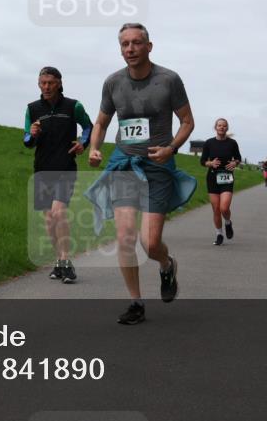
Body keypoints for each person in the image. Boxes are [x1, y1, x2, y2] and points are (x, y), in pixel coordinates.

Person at [85, 23, 196, 325]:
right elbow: (101, 123)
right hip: (124, 163)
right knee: (124, 238)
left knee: (150, 243)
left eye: (136, 43)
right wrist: (95, 148)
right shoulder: (113, 83)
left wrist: (171, 148)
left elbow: (187, 121)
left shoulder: (169, 80)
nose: (130, 49)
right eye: (124, 44)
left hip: (158, 166)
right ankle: (135, 302)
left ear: (149, 46)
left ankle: (167, 264)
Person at [24, 66, 93, 284]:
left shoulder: (73, 106)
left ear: (59, 83)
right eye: (42, 83)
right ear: (38, 84)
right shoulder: (32, 109)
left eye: (50, 83)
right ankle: (58, 260)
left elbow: (88, 126)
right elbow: (27, 140)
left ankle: (66, 260)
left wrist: (83, 142)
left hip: (65, 167)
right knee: (48, 219)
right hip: (42, 168)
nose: (46, 87)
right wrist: (31, 135)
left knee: (58, 212)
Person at [200, 118, 241, 244]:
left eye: (224, 126)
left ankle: (228, 223)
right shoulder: (209, 143)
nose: (221, 127)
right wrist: (211, 163)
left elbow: (238, 158)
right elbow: (202, 161)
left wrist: (234, 162)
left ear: (227, 128)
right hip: (212, 177)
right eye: (219, 125)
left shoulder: (232, 143)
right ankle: (219, 234)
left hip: (227, 177)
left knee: (224, 208)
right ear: (215, 128)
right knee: (216, 209)